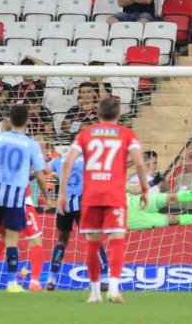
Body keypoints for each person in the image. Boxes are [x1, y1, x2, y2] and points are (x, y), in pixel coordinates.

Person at [57, 98, 149, 303]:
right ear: (118, 115)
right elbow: (140, 164)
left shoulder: (85, 134)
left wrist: (62, 194)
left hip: (91, 195)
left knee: (92, 243)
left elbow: (68, 162)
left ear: (98, 114)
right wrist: (144, 189)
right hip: (114, 194)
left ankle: (95, 292)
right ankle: (114, 289)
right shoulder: (127, 135)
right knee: (117, 239)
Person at [0, 105, 50, 293]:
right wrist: (48, 197)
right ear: (27, 121)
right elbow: (40, 176)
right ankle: (13, 284)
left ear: (9, 119)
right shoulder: (31, 144)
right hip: (17, 197)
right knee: (12, 240)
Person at [46, 149, 111, 291]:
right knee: (93, 239)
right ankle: (105, 278)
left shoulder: (59, 160)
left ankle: (51, 278)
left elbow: (42, 170)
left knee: (62, 240)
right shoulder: (89, 159)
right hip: (82, 203)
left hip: (63, 204)